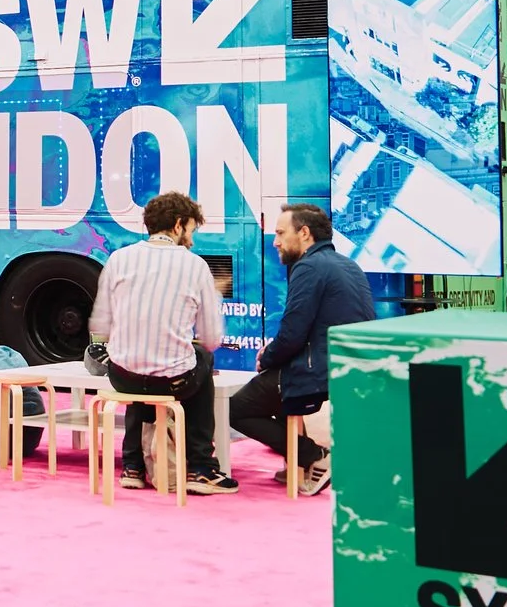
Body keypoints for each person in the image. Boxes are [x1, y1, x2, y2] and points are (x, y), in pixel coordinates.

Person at [87, 191, 237, 494]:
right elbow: (211, 339)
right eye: (192, 230)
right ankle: (201, 468)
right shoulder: (195, 266)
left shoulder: (117, 259)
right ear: (179, 225)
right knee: (201, 361)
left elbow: (100, 325)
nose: (192, 240)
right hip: (173, 382)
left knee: (136, 369)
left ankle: (132, 466)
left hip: (123, 378)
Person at [231, 202, 370, 495]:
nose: (276, 241)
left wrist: (266, 358)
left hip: (316, 372)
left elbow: (293, 335)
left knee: (235, 410)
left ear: (304, 233)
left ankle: (315, 456)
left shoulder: (308, 267)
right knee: (275, 390)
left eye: (281, 233)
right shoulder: (348, 264)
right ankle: (301, 462)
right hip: (348, 368)